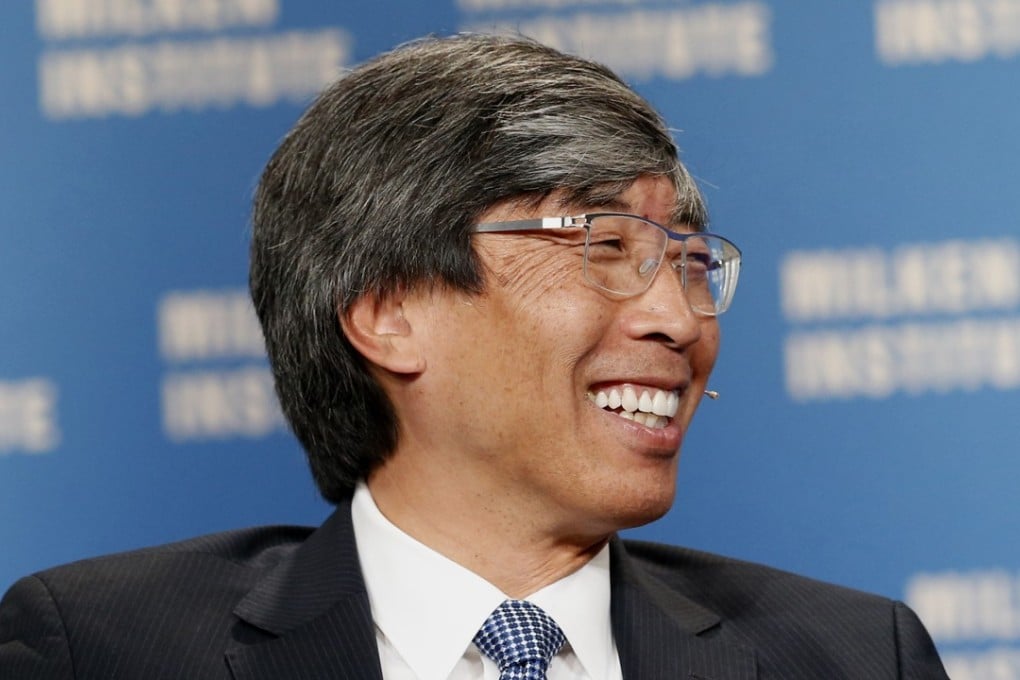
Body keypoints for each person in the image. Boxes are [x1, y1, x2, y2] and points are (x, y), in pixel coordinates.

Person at [0, 33, 947, 679]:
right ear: (388, 311)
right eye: (604, 247)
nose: (677, 318)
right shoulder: (104, 647)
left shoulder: (855, 656)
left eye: (690, 264)